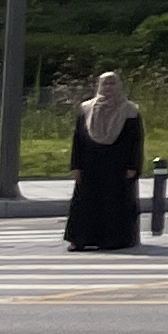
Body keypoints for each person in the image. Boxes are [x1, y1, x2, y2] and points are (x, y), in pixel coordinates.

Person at [63, 72, 144, 252]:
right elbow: (78, 139)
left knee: (114, 203)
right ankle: (80, 239)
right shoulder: (87, 109)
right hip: (90, 163)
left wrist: (133, 166)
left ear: (119, 86)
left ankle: (114, 240)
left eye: (112, 83)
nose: (108, 87)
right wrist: (76, 165)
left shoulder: (129, 110)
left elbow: (135, 141)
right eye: (105, 84)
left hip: (118, 165)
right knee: (85, 202)